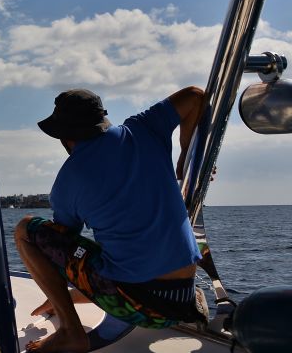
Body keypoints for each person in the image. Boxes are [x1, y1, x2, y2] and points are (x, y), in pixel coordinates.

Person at [15, 87, 208, 353]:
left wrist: (58, 296)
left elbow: (62, 254)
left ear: (63, 137)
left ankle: (70, 331)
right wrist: (186, 157)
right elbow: (195, 96)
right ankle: (71, 307)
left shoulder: (68, 181)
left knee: (26, 229)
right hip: (183, 299)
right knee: (117, 257)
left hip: (138, 306)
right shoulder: (143, 129)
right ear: (102, 120)